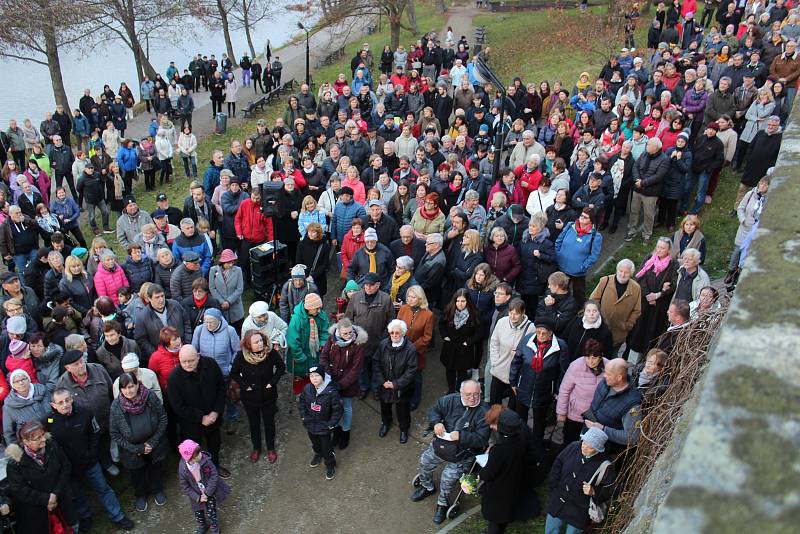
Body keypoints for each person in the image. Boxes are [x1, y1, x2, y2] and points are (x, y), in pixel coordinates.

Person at [49, 387, 135, 532]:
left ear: (71, 398)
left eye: (67, 400)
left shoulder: (85, 413)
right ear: (53, 405)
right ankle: (85, 517)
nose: (65, 404)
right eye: (60, 402)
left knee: (103, 489)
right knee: (77, 495)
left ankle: (118, 516)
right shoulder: (49, 421)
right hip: (68, 468)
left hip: (90, 462)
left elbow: (95, 434)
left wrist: (91, 454)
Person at [410, 380, 490, 525]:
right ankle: (427, 486)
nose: (472, 398)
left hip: (463, 453)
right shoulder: (449, 400)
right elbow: (434, 411)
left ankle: (442, 504)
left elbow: (482, 440)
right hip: (442, 444)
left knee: (448, 478)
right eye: (468, 394)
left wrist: (462, 436)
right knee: (424, 462)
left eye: (476, 394)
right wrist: (436, 423)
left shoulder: (484, 412)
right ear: (460, 393)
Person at [167, 345, 231, 478]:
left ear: (198, 356)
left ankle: (215, 467)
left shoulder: (210, 364)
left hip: (213, 418)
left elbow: (221, 388)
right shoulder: (174, 378)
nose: (188, 364)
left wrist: (216, 412)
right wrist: (201, 417)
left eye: (191, 360)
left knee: (214, 445)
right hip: (191, 424)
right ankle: (198, 475)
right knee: (193, 452)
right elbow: (178, 406)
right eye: (184, 361)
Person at [6, 420, 81, 533]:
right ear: (25, 442)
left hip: (63, 502)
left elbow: (65, 466)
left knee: (72, 527)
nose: (44, 439)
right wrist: (46, 499)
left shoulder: (52, 445)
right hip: (39, 514)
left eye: (43, 435)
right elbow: (20, 490)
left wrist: (55, 494)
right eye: (38, 438)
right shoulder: (15, 463)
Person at [109, 372, 169, 512]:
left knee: (155, 467)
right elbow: (115, 433)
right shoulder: (116, 406)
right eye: (124, 388)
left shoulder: (150, 397)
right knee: (136, 473)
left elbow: (163, 418)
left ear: (137, 385)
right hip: (132, 449)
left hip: (154, 443)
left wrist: (152, 442)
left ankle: (157, 489)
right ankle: (141, 494)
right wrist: (137, 448)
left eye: (131, 386)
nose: (128, 391)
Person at [56, 349, 117, 476]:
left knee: (108, 441)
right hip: (85, 426)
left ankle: (110, 462)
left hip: (105, 417)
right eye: (76, 364)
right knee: (94, 447)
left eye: (81, 361)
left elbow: (111, 391)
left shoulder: (99, 370)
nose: (81, 365)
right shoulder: (63, 383)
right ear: (68, 368)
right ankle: (101, 467)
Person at [545, 427, 616, 534]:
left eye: (590, 447)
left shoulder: (605, 465)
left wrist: (594, 491)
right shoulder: (574, 446)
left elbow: (611, 489)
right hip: (559, 498)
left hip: (580, 509)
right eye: (584, 443)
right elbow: (558, 463)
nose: (584, 448)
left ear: (598, 449)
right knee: (551, 529)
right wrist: (554, 485)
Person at [509, 316, 568, 442]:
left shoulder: (560, 346)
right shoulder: (527, 340)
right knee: (521, 418)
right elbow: (516, 361)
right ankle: (521, 441)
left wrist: (557, 391)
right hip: (524, 386)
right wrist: (513, 381)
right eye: (538, 332)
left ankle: (536, 445)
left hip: (544, 390)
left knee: (539, 422)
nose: (540, 336)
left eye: (544, 333)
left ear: (550, 334)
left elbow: (562, 371)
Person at [230, 329, 285, 463]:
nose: (260, 344)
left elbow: (281, 367)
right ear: (248, 345)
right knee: (254, 424)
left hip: (268, 396)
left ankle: (270, 448)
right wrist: (245, 386)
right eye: (256, 342)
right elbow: (234, 373)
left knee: (269, 423)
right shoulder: (241, 356)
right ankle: (257, 448)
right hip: (250, 398)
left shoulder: (270, 353)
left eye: (261, 340)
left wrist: (272, 382)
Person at [345, 272, 394, 399]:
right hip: (359, 341)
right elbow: (348, 318)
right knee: (361, 367)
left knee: (377, 367)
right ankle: (363, 387)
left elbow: (391, 321)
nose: (368, 287)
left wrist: (385, 338)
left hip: (378, 341)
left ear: (378, 285)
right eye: (366, 285)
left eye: (371, 285)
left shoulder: (386, 299)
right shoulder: (355, 297)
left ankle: (376, 389)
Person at [479, 410, 529, 534]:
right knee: (504, 515)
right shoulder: (520, 441)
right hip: (513, 485)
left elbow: (488, 473)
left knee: (494, 520)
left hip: (498, 491)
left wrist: (481, 473)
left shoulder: (499, 450)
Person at [628, 238, 678, 359]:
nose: (659, 250)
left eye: (663, 248)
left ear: (669, 250)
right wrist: (648, 295)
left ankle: (648, 357)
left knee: (654, 330)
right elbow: (640, 277)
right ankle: (633, 357)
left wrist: (658, 294)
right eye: (658, 247)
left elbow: (673, 283)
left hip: (659, 305)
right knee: (639, 328)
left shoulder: (673, 264)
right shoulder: (649, 258)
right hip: (645, 302)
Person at [320, 318, 366, 450]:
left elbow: (355, 370)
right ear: (338, 331)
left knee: (346, 407)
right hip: (332, 380)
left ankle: (346, 432)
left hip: (347, 383)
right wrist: (328, 377)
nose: (349, 336)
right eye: (345, 333)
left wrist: (341, 384)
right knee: (335, 407)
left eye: (350, 332)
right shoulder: (332, 340)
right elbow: (324, 358)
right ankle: (337, 430)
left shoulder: (357, 344)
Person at [556, 339, 609, 447]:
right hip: (575, 414)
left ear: (601, 356)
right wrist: (561, 412)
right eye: (587, 357)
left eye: (594, 357)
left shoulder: (608, 366)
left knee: (589, 444)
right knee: (570, 442)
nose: (590, 361)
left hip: (595, 416)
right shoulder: (576, 366)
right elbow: (564, 390)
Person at [584, 358, 643, 453]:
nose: (604, 375)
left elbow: (632, 437)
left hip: (605, 448)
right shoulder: (605, 383)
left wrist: (603, 429)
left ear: (619, 377)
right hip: (588, 435)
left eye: (608, 374)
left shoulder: (632, 404)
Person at [374, 319, 418, 444]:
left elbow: (411, 371)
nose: (394, 335)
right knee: (385, 407)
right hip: (384, 385)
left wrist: (396, 384)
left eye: (397, 333)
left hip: (402, 388)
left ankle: (404, 429)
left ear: (403, 333)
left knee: (403, 410)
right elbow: (376, 362)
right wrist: (382, 381)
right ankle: (386, 423)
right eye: (392, 332)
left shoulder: (410, 349)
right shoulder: (383, 344)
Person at [298, 364, 342, 481]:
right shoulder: (307, 389)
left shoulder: (331, 392)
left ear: (322, 376)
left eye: (317, 375)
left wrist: (330, 424)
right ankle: (318, 454)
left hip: (324, 426)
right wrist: (303, 416)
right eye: (312, 376)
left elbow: (337, 410)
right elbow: (302, 403)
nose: (314, 378)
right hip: (310, 424)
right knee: (315, 443)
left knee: (326, 447)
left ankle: (330, 464)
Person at [177, 439, 230, 534]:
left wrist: (207, 493)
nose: (200, 455)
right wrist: (197, 497)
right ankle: (203, 526)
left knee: (211, 513)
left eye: (199, 452)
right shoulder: (183, 469)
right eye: (197, 455)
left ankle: (215, 528)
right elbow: (185, 486)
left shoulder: (205, 460)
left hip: (208, 493)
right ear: (189, 459)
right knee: (198, 513)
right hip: (196, 496)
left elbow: (214, 475)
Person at [489, 298, 535, 406]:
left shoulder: (531, 328)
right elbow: (494, 342)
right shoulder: (502, 322)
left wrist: (521, 353)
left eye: (516, 313)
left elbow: (531, 350)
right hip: (499, 370)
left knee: (513, 406)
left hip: (516, 373)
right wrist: (495, 362)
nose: (512, 316)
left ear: (523, 313)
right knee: (494, 403)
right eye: (511, 312)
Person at [589, 259, 642, 351]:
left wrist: (628, 325)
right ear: (617, 270)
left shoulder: (636, 288)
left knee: (611, 359)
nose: (623, 275)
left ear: (631, 274)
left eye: (626, 272)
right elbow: (593, 300)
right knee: (594, 353)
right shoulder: (605, 281)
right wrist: (596, 317)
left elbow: (637, 310)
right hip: (599, 328)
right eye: (621, 271)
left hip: (618, 333)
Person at [555, 207, 602, 308]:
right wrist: (558, 255)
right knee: (560, 290)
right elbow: (559, 241)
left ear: (591, 220)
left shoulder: (595, 236)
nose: (582, 218)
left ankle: (579, 311)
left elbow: (594, 255)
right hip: (561, 267)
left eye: (585, 217)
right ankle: (561, 307)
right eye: (581, 215)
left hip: (577, 272)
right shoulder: (570, 226)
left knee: (579, 294)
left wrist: (582, 267)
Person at [439, 288, 481, 394]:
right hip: (450, 346)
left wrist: (468, 342)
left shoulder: (474, 314)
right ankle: (451, 389)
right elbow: (441, 323)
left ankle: (460, 390)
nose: (460, 304)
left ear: (468, 301)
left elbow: (479, 333)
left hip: (464, 348)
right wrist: (444, 336)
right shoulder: (449, 310)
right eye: (457, 301)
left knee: (462, 371)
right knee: (449, 369)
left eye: (463, 301)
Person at [516, 212, 557, 314]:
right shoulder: (524, 239)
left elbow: (553, 258)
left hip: (535, 278)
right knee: (523, 303)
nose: (530, 228)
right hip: (523, 276)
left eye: (533, 226)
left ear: (540, 228)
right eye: (530, 225)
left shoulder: (546, 243)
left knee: (533, 305)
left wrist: (540, 255)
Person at [286, 292, 330, 387]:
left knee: (315, 374)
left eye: (319, 308)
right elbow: (293, 340)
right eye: (316, 308)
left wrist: (322, 344)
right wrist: (299, 356)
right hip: (302, 354)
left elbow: (325, 331)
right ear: (309, 308)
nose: (319, 310)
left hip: (316, 352)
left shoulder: (321, 315)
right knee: (300, 377)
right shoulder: (297, 319)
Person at [3, 369, 50, 445]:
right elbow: (9, 433)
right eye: (16, 381)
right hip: (31, 443)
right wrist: (16, 449)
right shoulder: (9, 406)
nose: (21, 383)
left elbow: (51, 413)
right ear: (12, 385)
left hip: (50, 432)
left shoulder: (42, 390)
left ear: (28, 379)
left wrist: (51, 424)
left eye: (23, 379)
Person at [209, 248, 245, 332]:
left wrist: (228, 301)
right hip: (220, 308)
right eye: (228, 262)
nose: (231, 264)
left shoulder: (238, 270)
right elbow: (212, 288)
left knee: (238, 332)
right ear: (222, 262)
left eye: (232, 262)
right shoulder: (213, 271)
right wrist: (222, 301)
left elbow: (239, 289)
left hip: (236, 309)